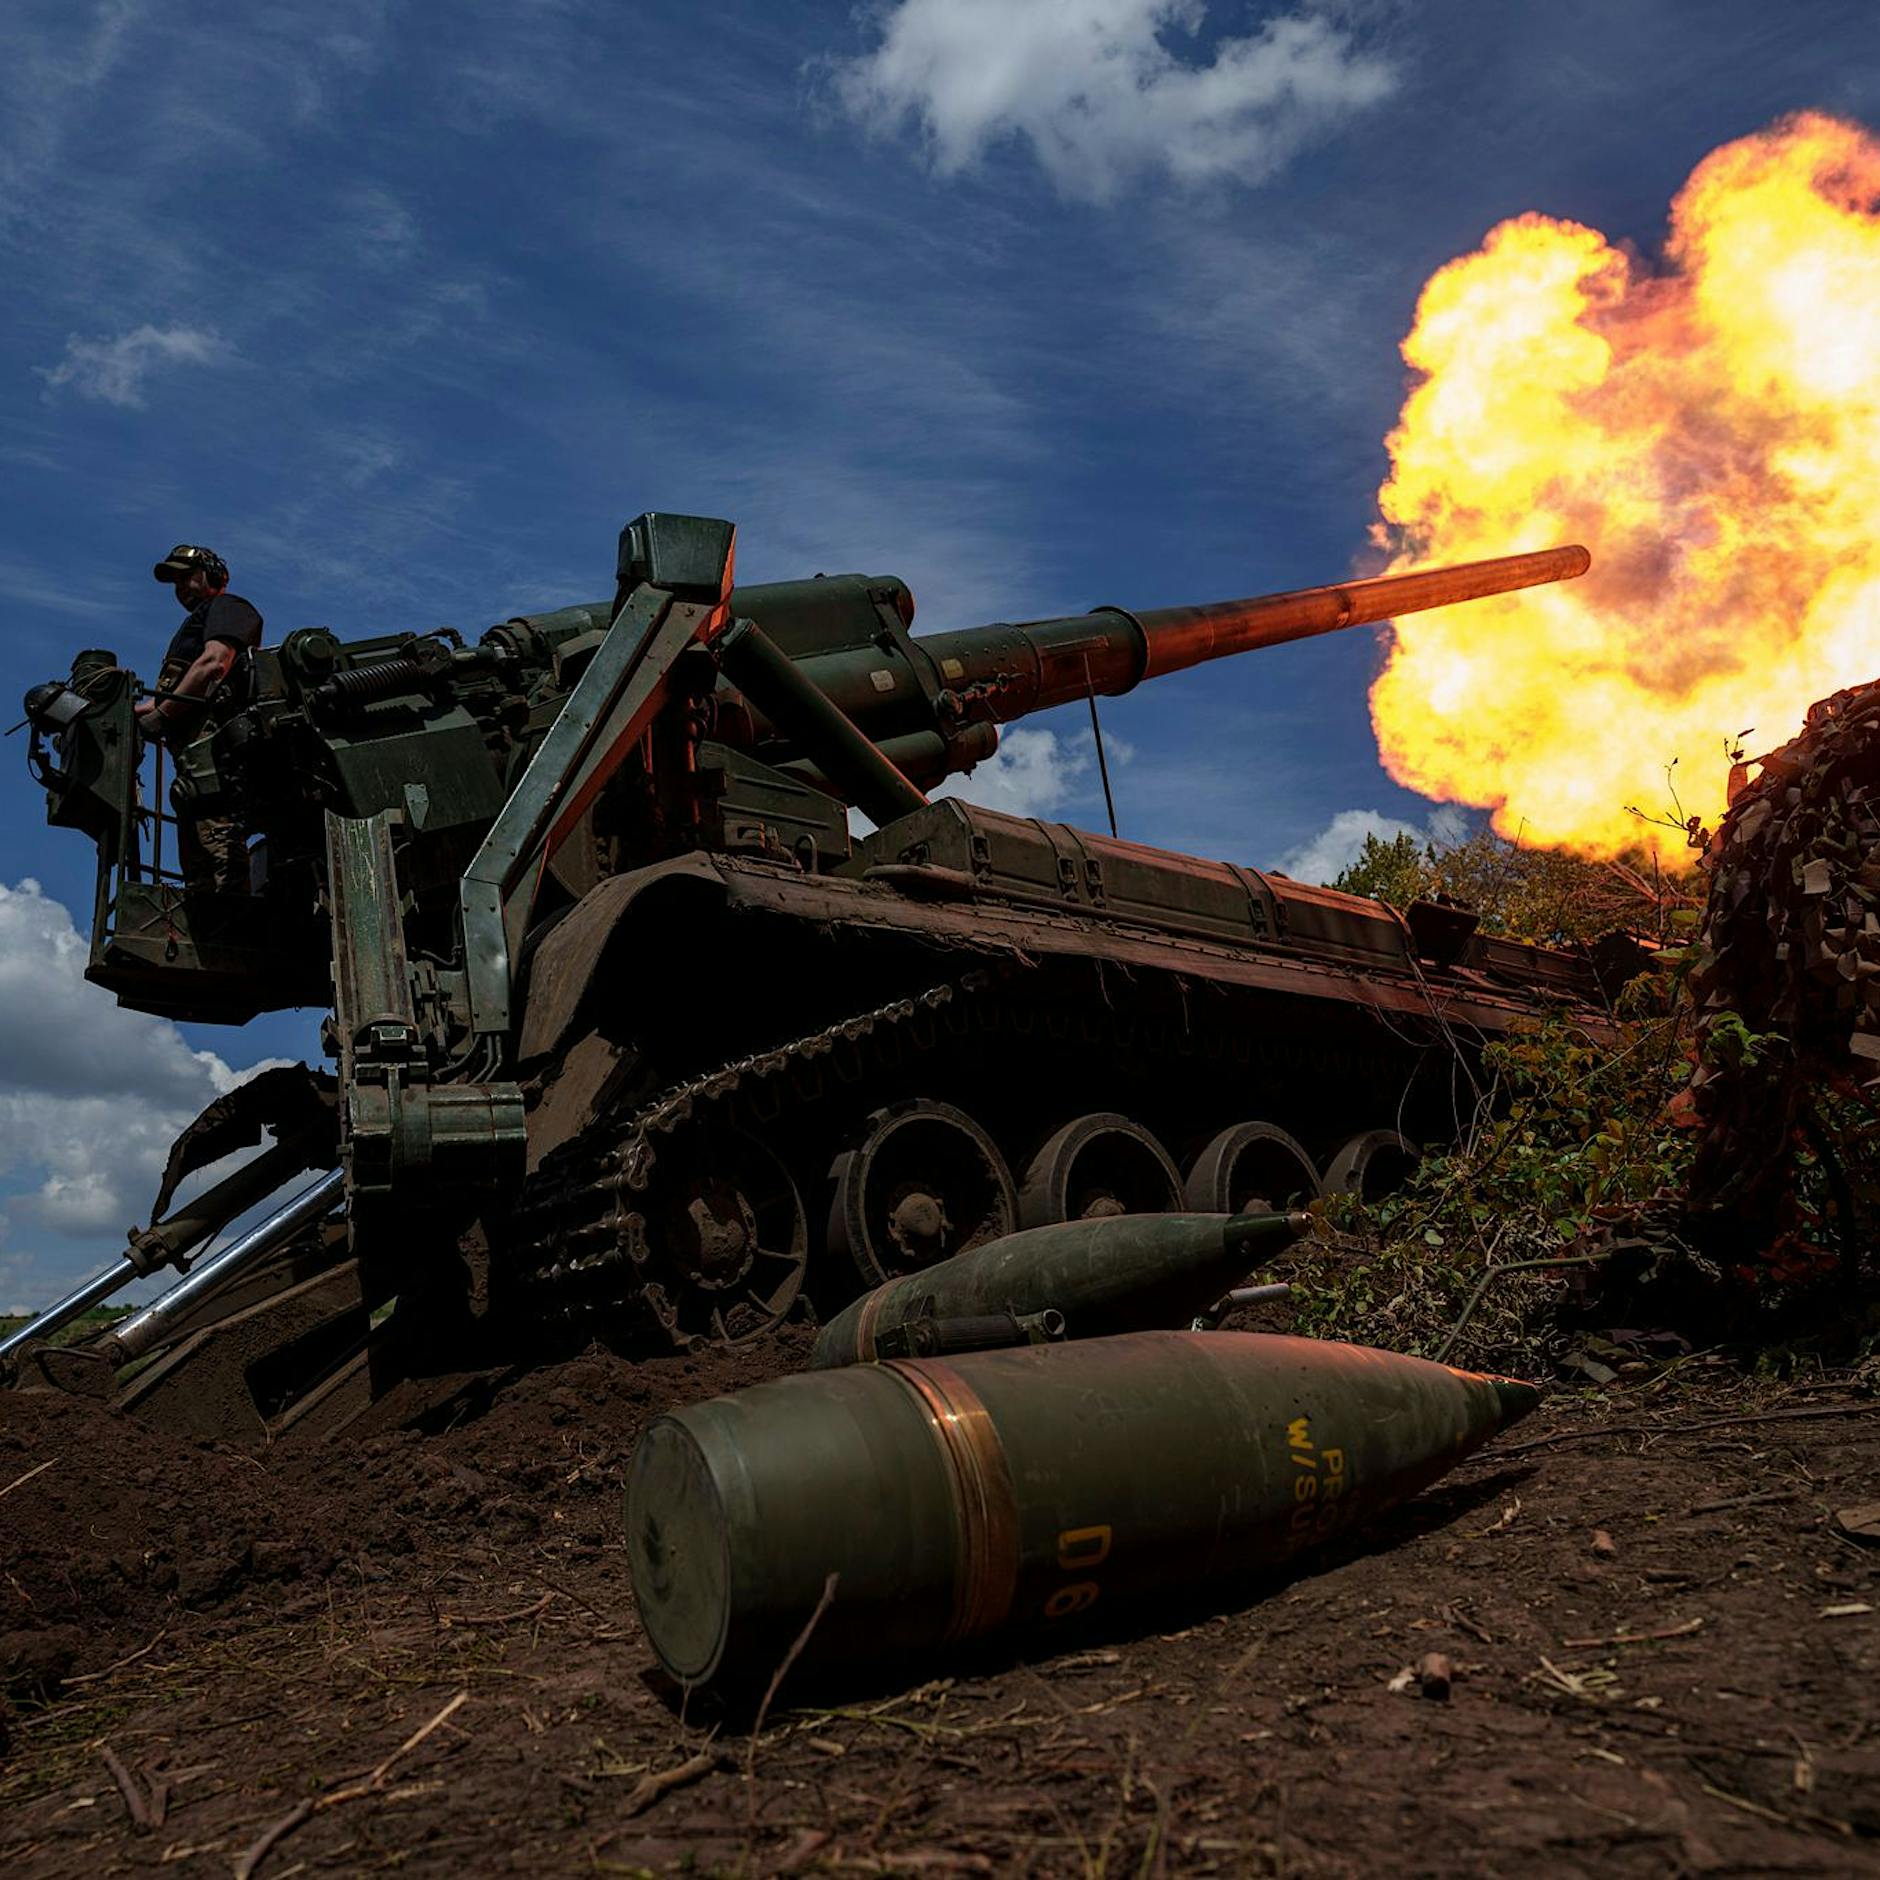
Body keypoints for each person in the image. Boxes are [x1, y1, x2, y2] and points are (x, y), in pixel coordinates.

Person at [138, 545, 264, 895]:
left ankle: (232, 923)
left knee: (220, 844)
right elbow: (167, 699)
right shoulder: (191, 627)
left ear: (213, 575)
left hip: (215, 756)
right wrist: (127, 713)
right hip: (193, 764)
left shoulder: (228, 607)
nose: (179, 586)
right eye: (174, 581)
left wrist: (162, 715)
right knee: (198, 861)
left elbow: (214, 665)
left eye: (186, 576)